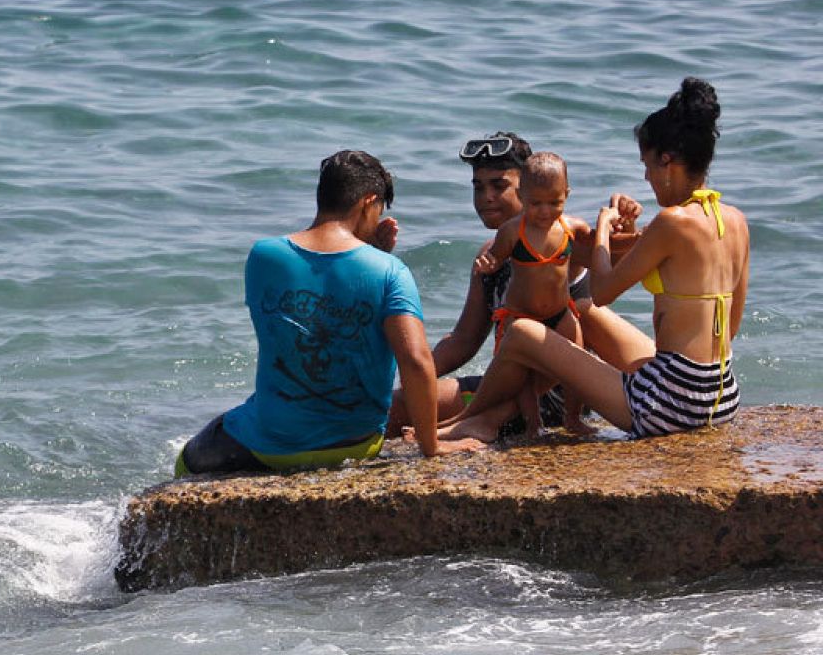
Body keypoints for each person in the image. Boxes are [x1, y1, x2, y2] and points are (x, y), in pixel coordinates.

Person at [439, 78, 746, 441]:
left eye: (648, 166)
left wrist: (603, 226)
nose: (646, 177)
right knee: (581, 311)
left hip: (669, 407)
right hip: (722, 396)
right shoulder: (734, 219)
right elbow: (732, 326)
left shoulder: (671, 221)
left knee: (521, 332)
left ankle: (480, 419)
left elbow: (602, 291)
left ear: (667, 162)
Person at [174, 150, 482, 478]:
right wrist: (431, 445)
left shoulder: (264, 256)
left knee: (186, 461)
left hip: (272, 443)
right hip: (356, 442)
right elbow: (416, 362)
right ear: (368, 203)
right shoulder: (390, 271)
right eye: (379, 211)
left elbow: (298, 321)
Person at [471, 152, 594, 435]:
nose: (545, 211)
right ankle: (533, 423)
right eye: (535, 203)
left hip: (560, 312)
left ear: (567, 195)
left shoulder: (572, 227)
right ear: (521, 195)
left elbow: (600, 245)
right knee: (524, 379)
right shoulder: (513, 231)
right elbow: (496, 257)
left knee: (578, 362)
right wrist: (488, 264)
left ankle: (573, 417)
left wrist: (623, 230)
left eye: (554, 203)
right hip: (521, 316)